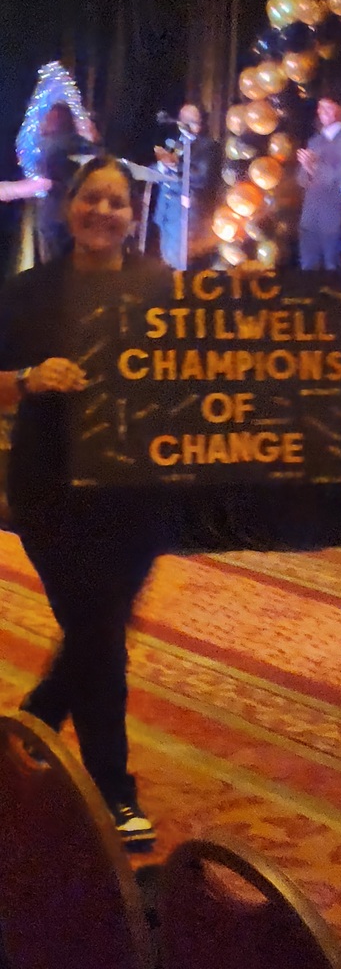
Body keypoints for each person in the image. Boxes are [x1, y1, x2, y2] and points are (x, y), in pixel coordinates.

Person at [0, 155, 176, 846]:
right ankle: (113, 789)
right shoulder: (28, 292)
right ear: (69, 205)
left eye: (117, 203)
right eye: (91, 199)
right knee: (100, 632)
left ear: (134, 216)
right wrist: (29, 378)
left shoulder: (160, 287)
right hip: (51, 489)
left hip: (138, 491)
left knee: (96, 626)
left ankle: (39, 715)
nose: (102, 212)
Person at [0, 102, 98, 263]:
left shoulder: (50, 146)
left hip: (53, 213)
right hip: (74, 213)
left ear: (56, 120)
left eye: (47, 118)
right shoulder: (85, 147)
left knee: (52, 260)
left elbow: (49, 180)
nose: (42, 123)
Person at [297, 95, 341, 271]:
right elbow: (302, 179)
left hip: (333, 215)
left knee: (332, 269)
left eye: (329, 107)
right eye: (320, 108)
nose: (322, 112)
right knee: (308, 267)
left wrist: (315, 166)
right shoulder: (314, 141)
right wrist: (307, 168)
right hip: (310, 217)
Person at [153, 102, 220, 270]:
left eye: (191, 120)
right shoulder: (174, 143)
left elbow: (201, 177)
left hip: (186, 214)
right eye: (183, 119)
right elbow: (160, 168)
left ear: (201, 123)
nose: (185, 123)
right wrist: (161, 166)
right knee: (166, 264)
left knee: (181, 264)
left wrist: (176, 166)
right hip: (166, 212)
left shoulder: (208, 146)